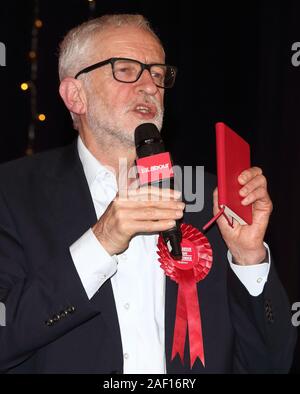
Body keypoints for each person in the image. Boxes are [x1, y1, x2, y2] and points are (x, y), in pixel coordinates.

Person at [0, 14, 296, 374]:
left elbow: (271, 363)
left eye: (157, 73)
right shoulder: (13, 192)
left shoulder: (208, 195)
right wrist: (101, 241)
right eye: (125, 69)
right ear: (75, 95)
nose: (149, 86)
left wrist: (249, 258)